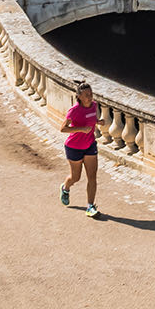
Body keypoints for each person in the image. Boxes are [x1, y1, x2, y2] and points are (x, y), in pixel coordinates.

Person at [59, 81, 100, 218]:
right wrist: (81, 129)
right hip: (74, 147)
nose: (90, 97)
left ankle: (90, 206)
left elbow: (92, 119)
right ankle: (65, 187)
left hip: (90, 145)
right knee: (76, 177)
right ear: (79, 97)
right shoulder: (74, 111)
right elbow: (63, 128)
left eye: (91, 94)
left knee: (92, 176)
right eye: (86, 95)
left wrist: (99, 122)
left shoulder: (94, 106)